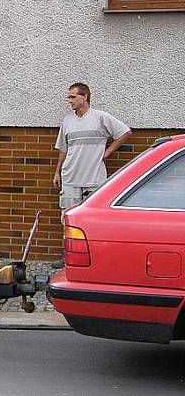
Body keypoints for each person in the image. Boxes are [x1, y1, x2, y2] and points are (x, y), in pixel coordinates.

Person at [51, 82, 131, 268]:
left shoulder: (100, 118)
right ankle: (67, 257)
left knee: (96, 221)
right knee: (68, 219)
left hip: (95, 178)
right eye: (68, 97)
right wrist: (57, 172)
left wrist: (109, 151)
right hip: (70, 177)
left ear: (84, 97)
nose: (69, 100)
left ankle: (97, 257)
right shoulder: (67, 121)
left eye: (72, 97)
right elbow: (63, 149)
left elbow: (125, 132)